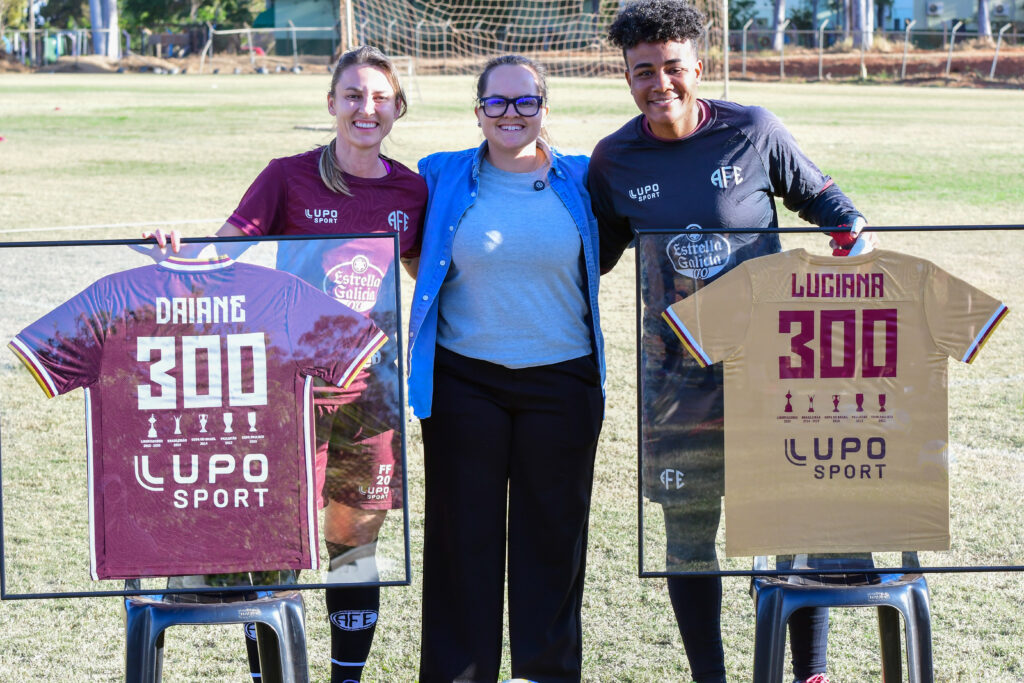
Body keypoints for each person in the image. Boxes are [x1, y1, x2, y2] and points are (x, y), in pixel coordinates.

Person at [587, 2, 872, 683]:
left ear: (699, 68)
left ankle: (811, 671)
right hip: (675, 379)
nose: (661, 84)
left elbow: (823, 198)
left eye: (674, 67)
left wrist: (852, 227)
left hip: (769, 370)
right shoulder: (615, 158)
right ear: (627, 76)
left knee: (791, 519)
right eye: (644, 71)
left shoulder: (753, 130)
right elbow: (593, 254)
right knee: (689, 536)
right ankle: (709, 676)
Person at [149, 45, 426, 683]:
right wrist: (176, 252)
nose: (366, 107)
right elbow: (223, 256)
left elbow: (422, 270)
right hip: (291, 394)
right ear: (331, 104)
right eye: (353, 95)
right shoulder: (288, 176)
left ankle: (346, 678)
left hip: (372, 397)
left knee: (356, 546)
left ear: (396, 110)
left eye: (380, 97)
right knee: (278, 546)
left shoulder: (411, 189)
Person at [407, 55, 605, 682]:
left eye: (525, 101)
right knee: (461, 542)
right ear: (478, 111)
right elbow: (387, 225)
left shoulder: (583, 177)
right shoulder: (439, 175)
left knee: (552, 541)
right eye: (497, 102)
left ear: (544, 108)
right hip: (466, 379)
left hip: (564, 380)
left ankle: (546, 673)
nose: (511, 113)